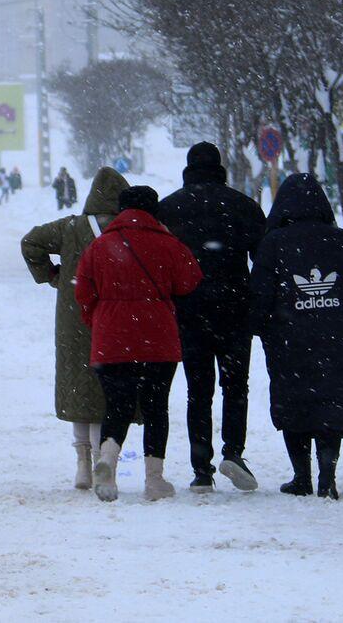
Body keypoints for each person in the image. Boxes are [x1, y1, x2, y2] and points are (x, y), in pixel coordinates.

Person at [75, 186, 203, 502]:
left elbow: (83, 292)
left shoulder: (100, 245)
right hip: (157, 337)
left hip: (112, 338)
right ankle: (154, 480)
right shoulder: (168, 242)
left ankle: (107, 462)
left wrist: (101, 320)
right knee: (155, 407)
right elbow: (190, 281)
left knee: (116, 406)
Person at [249, 173, 343, 500]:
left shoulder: (273, 244)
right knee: (332, 403)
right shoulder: (342, 241)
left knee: (295, 404)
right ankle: (328, 475)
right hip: (334, 340)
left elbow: (258, 296)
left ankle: (301, 475)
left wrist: (268, 330)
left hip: (288, 341)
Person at [156, 142, 266, 493]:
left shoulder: (169, 209)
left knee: (197, 391)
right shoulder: (242, 206)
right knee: (236, 386)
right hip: (235, 309)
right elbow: (263, 261)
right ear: (219, 166)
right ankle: (233, 452)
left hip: (189, 312)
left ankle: (201, 469)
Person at [21, 167, 130, 491]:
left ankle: (82, 464)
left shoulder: (71, 228)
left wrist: (54, 276)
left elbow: (31, 242)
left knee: (78, 389)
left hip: (74, 316)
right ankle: (102, 459)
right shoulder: (126, 230)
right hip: (115, 317)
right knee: (108, 391)